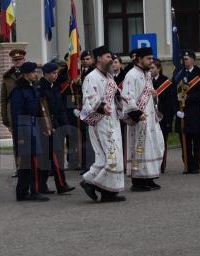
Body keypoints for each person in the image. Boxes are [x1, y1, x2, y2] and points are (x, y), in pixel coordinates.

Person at [79, 45, 126, 203]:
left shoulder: (109, 77)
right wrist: (101, 105)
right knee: (112, 156)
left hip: (112, 121)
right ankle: (101, 188)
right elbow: (88, 99)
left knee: (110, 157)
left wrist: (122, 102)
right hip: (100, 122)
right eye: (108, 57)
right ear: (98, 58)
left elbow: (116, 97)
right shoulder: (91, 77)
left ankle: (97, 186)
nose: (112, 60)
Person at [122, 47, 165, 192]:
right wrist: (136, 114)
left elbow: (148, 93)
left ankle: (149, 178)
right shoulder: (131, 75)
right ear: (139, 59)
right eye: (149, 59)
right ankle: (138, 181)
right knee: (140, 148)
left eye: (152, 59)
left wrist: (153, 94)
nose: (151, 61)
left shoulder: (147, 75)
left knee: (154, 146)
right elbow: (127, 97)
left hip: (150, 117)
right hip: (139, 118)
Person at [10, 62, 49, 202]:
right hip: (25, 127)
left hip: (35, 124)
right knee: (31, 161)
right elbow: (17, 113)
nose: (36, 74)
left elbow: (38, 108)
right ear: (26, 74)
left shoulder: (33, 87)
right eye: (33, 72)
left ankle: (23, 192)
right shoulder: (18, 91)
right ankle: (33, 191)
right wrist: (20, 135)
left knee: (31, 161)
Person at [38, 62, 75, 195]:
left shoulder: (54, 88)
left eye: (57, 73)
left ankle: (52, 185)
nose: (56, 75)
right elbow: (42, 111)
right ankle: (59, 184)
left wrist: (65, 125)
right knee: (52, 157)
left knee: (56, 156)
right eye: (53, 73)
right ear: (46, 74)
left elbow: (61, 109)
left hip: (57, 126)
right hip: (47, 127)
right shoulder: (41, 88)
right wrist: (48, 126)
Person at [174, 50, 200, 174]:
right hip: (182, 113)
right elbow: (174, 93)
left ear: (193, 59)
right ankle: (187, 165)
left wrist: (187, 98)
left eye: (187, 58)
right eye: (183, 59)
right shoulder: (178, 73)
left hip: (195, 111)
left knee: (196, 141)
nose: (185, 61)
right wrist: (176, 110)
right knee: (185, 142)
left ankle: (196, 165)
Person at [151, 59, 175, 173]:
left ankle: (161, 165)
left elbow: (170, 104)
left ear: (159, 69)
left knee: (162, 142)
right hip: (150, 117)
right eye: (149, 68)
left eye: (153, 68)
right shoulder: (147, 81)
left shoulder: (166, 82)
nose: (151, 70)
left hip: (162, 117)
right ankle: (152, 164)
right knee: (151, 142)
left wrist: (168, 120)